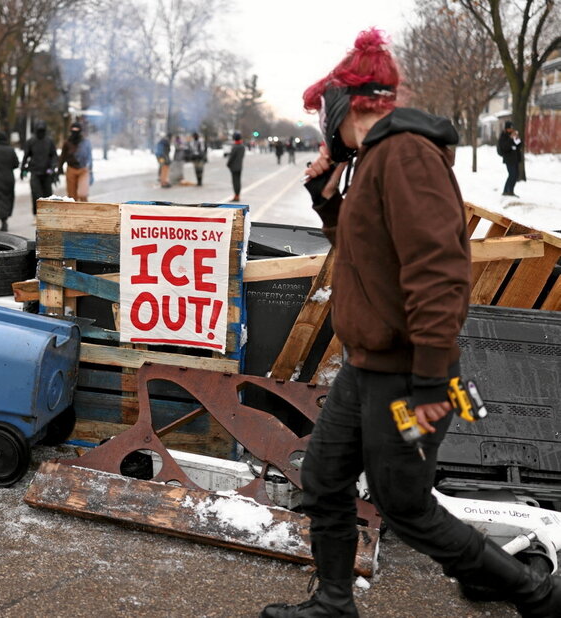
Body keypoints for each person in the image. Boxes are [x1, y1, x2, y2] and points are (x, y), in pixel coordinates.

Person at [260, 28, 561, 618]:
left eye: (325, 108)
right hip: (369, 365)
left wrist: (430, 381)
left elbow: (439, 273)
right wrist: (326, 197)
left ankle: (537, 595)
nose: (322, 121)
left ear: (346, 105)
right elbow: (364, 252)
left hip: (406, 373)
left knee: (405, 504)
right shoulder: (374, 161)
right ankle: (333, 602)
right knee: (324, 477)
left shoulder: (407, 157)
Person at [21, 120, 58, 223]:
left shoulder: (49, 141)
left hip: (47, 172)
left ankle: (47, 215)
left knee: (47, 194)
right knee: (36, 195)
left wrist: (53, 166)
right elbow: (26, 156)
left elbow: (54, 155)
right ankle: (36, 215)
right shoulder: (31, 141)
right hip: (35, 172)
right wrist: (23, 169)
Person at [58, 122, 93, 202]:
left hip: (83, 170)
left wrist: (91, 171)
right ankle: (74, 213)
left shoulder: (85, 142)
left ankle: (85, 213)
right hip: (71, 169)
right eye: (73, 130)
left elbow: (90, 157)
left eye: (77, 130)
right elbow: (63, 156)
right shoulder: (67, 143)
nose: (75, 133)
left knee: (83, 194)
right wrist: (60, 168)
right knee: (72, 197)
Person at [498, 120, 522, 197]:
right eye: (510, 128)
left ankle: (511, 191)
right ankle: (506, 191)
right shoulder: (504, 136)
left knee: (515, 175)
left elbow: (519, 145)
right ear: (506, 129)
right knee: (512, 174)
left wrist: (517, 138)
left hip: (515, 158)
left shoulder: (513, 135)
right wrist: (511, 139)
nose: (511, 130)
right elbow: (505, 147)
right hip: (508, 159)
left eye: (512, 128)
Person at [226, 131, 245, 202]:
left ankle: (236, 196)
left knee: (235, 182)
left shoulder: (235, 147)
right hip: (240, 166)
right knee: (238, 181)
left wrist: (228, 164)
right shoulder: (242, 146)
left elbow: (231, 157)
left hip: (234, 167)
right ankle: (237, 195)